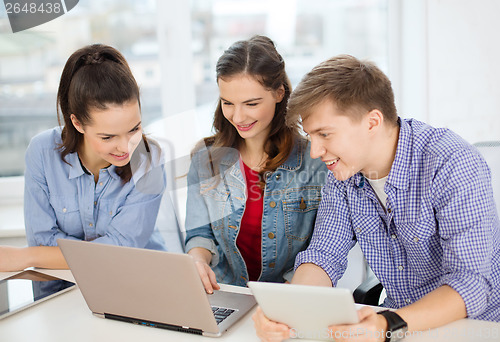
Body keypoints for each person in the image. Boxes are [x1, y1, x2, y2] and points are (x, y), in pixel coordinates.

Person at [253, 55, 500, 341]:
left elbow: (469, 284)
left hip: (475, 327)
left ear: (372, 122)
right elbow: (323, 254)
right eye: (311, 136)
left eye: (325, 134)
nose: (315, 152)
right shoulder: (344, 173)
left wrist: (388, 324)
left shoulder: (452, 163)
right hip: (396, 325)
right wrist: (290, 309)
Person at [0, 44, 167, 272]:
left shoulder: (149, 159)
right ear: (77, 123)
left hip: (135, 281)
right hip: (61, 288)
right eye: (108, 137)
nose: (125, 146)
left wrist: (29, 257)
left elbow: (122, 249)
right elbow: (43, 240)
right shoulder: (42, 152)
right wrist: (101, 253)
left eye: (134, 129)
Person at [184, 35, 327, 293]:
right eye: (228, 103)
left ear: (279, 93)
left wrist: (289, 293)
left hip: (291, 295)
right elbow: (200, 234)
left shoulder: (315, 161)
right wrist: (197, 260)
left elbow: (324, 248)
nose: (238, 117)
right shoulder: (205, 159)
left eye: (251, 104)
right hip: (224, 291)